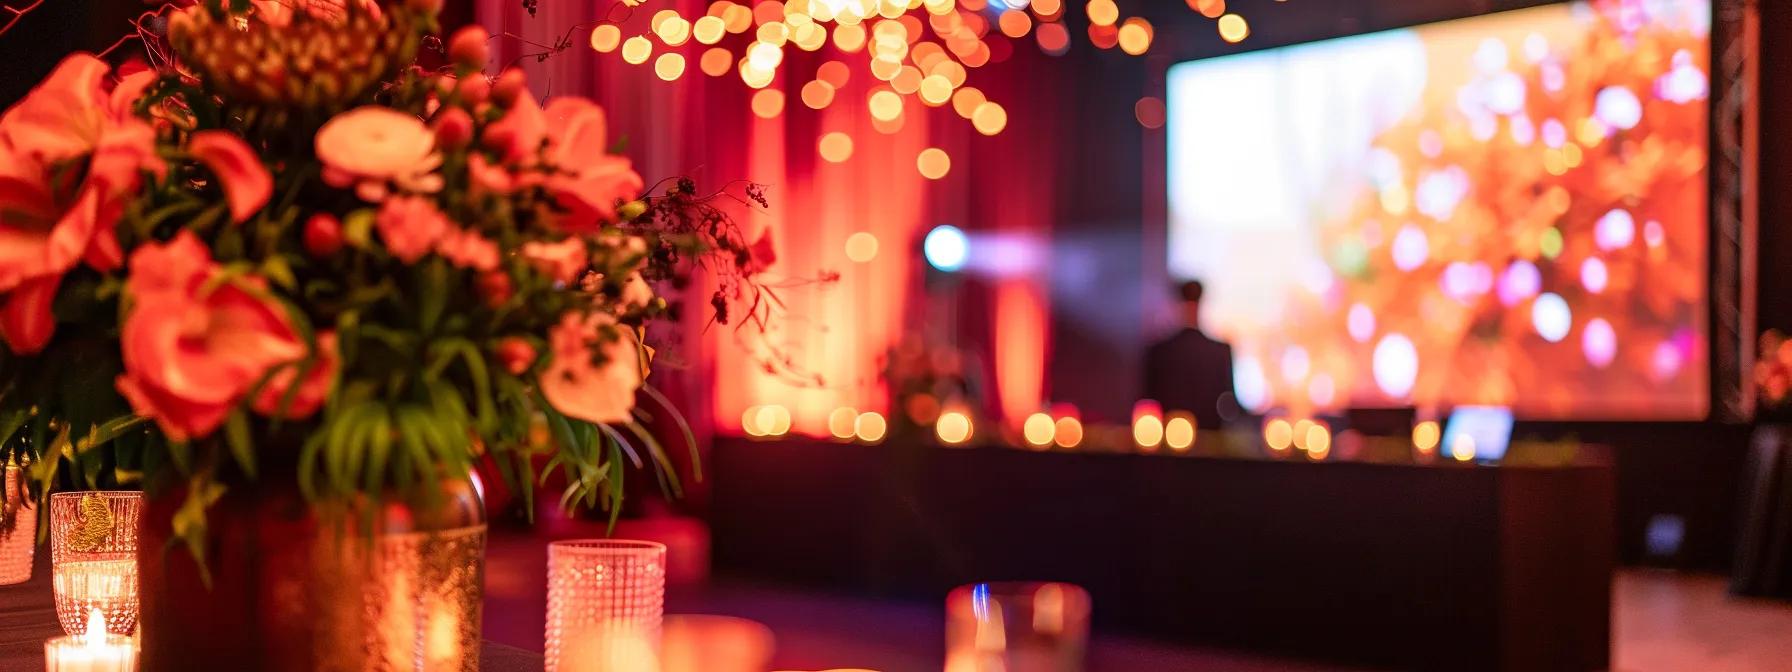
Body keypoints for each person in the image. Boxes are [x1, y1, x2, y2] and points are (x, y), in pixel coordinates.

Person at [1144, 280, 1235, 430]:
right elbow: (1229, 404)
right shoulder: (1220, 352)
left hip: (1167, 446)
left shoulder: (1158, 351)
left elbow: (1148, 403)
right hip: (1209, 445)